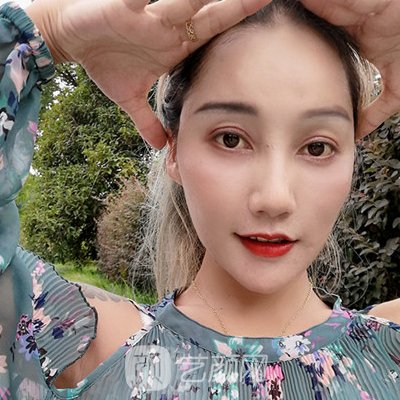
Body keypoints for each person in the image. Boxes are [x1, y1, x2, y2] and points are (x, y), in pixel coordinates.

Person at [0, 0, 400, 399]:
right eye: (231, 139)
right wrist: (47, 32)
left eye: (317, 147)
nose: (274, 198)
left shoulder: (389, 351)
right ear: (173, 149)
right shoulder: (81, 345)